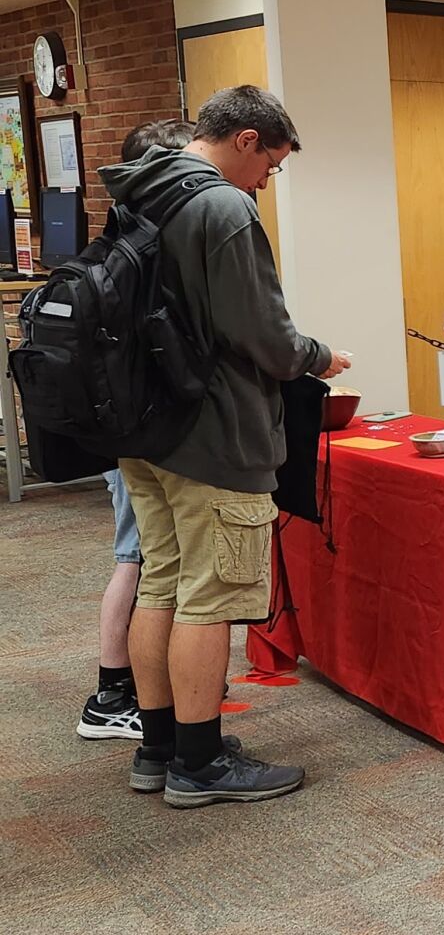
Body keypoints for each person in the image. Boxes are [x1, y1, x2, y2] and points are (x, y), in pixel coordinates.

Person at [107, 86, 350, 808]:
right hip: (212, 433)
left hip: (144, 428)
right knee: (208, 599)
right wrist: (318, 356)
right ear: (245, 139)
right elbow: (264, 337)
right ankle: (202, 764)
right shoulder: (220, 206)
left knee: (162, 582)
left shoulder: (139, 188)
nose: (265, 183)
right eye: (269, 165)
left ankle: (162, 747)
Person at [76, 119, 196, 742]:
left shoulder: (117, 235)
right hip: (140, 428)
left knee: (141, 558)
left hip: (120, 422)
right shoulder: (141, 246)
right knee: (138, 559)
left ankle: (132, 686)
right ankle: (112, 693)